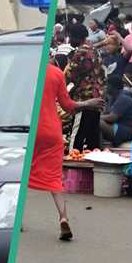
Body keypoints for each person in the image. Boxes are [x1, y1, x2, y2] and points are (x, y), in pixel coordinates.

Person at [29, 63, 103, 241]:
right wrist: (88, 103)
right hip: (51, 131)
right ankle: (63, 217)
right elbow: (68, 105)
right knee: (54, 178)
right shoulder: (56, 73)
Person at [63, 44, 105, 152]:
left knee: (77, 139)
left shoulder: (81, 53)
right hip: (97, 100)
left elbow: (68, 75)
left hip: (84, 101)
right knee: (92, 140)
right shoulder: (95, 51)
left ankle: (73, 163)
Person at [100, 75, 132, 147]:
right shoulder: (113, 97)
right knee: (97, 121)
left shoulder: (124, 98)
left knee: (98, 122)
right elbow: (106, 113)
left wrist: (98, 117)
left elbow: (112, 117)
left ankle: (100, 146)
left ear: (112, 87)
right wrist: (105, 99)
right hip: (119, 127)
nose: (105, 87)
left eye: (107, 85)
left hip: (128, 130)